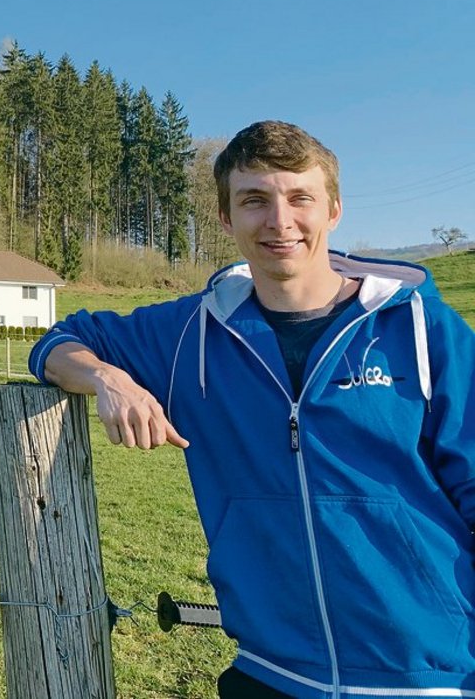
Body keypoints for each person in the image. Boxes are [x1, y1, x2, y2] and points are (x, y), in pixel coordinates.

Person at [28, 120, 475, 699]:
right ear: (226, 218)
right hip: (271, 672)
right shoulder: (190, 333)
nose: (279, 221)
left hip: (429, 677)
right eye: (255, 200)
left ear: (333, 210)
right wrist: (108, 377)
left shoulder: (420, 329)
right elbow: (57, 342)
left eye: (299, 198)